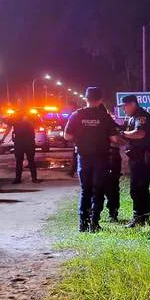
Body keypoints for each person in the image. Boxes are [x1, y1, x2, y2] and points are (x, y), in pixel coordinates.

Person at [64, 87, 121, 232]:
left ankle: (82, 224)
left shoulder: (77, 115)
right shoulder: (104, 116)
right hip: (101, 158)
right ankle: (94, 223)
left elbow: (67, 136)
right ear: (100, 100)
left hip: (83, 158)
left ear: (85, 99)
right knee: (98, 190)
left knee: (85, 190)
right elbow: (114, 138)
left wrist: (81, 137)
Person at [120, 95, 150, 227]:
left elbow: (140, 133)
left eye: (125, 106)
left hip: (143, 158)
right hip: (137, 158)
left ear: (132, 104)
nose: (124, 109)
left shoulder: (141, 116)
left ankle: (139, 218)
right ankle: (143, 217)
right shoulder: (132, 117)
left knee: (137, 189)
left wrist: (122, 134)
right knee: (140, 188)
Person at [100, 102, 123, 221]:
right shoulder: (109, 122)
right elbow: (118, 139)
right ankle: (113, 213)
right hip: (112, 156)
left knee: (97, 185)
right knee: (113, 185)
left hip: (103, 157)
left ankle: (95, 214)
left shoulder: (89, 122)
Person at [2, 110, 39, 184]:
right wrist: (3, 138)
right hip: (21, 141)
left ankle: (33, 178)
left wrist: (28, 120)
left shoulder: (29, 115)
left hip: (27, 141)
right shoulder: (15, 117)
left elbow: (36, 125)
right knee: (20, 160)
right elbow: (8, 127)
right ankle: (19, 178)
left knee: (30, 160)